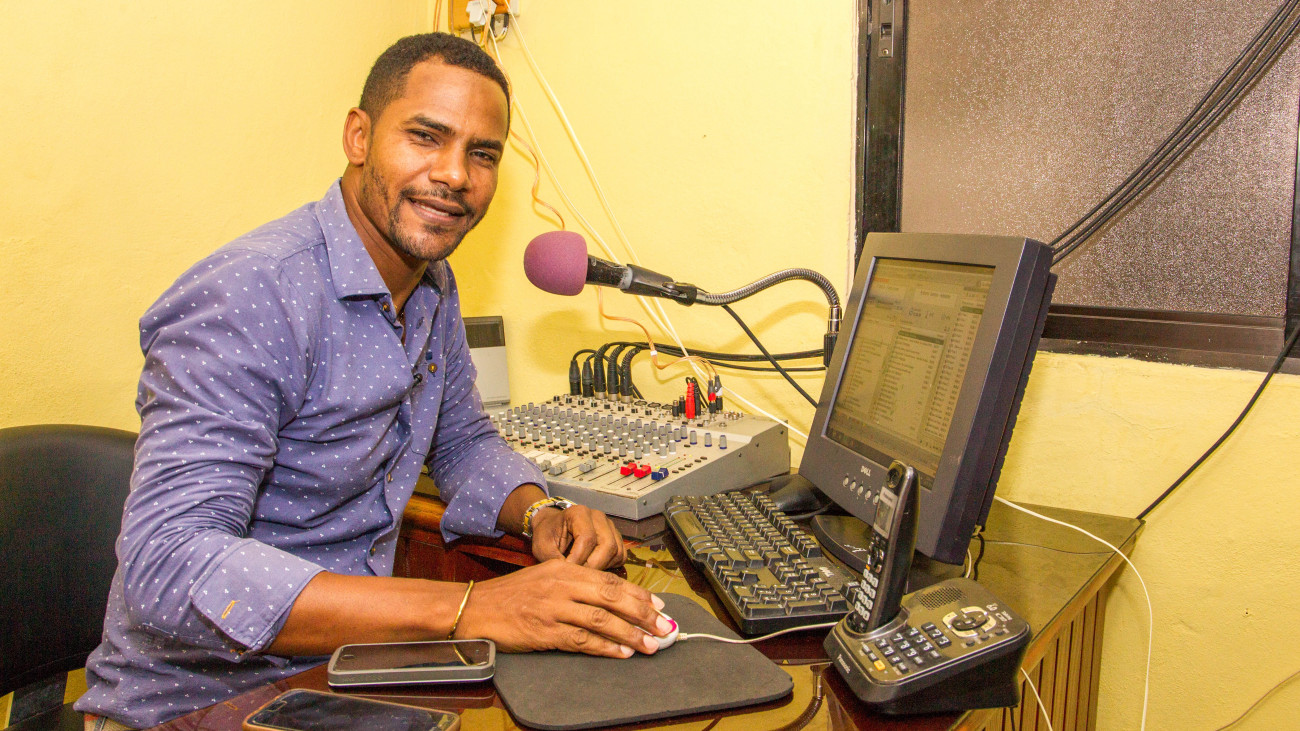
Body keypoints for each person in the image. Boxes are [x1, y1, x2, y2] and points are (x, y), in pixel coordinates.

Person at [76, 33, 673, 729]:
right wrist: (469, 608)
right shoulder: (250, 294)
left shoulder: (432, 284)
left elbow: (463, 441)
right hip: (195, 705)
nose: (455, 174)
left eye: (482, 154)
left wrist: (542, 512)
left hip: (346, 678)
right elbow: (169, 567)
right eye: (426, 136)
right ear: (358, 136)